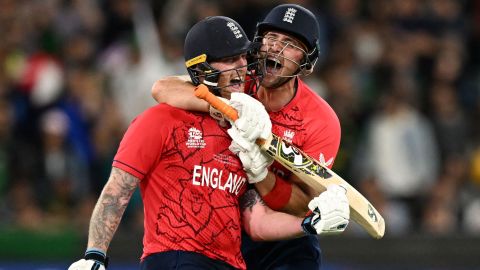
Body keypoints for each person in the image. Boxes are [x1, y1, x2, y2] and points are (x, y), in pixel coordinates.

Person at [69, 16, 349, 270]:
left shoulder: (241, 137)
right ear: (202, 70)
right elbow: (118, 188)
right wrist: (95, 254)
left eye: (242, 57)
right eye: (229, 60)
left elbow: (257, 223)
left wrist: (306, 220)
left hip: (233, 261)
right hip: (175, 257)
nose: (242, 67)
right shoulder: (159, 119)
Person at [151, 4, 342, 269]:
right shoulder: (239, 82)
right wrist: (225, 108)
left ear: (307, 62)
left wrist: (261, 174)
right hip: (224, 230)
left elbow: (301, 205)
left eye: (289, 43)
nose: (276, 47)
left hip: (285, 244)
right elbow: (163, 88)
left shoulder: (320, 121)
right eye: (271, 38)